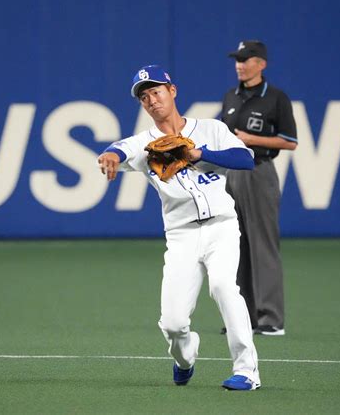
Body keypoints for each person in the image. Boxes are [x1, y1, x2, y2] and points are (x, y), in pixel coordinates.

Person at [98, 65, 261, 390]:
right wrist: (111, 155)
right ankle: (185, 357)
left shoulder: (211, 129)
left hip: (222, 227)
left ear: (172, 91)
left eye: (156, 91)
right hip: (182, 236)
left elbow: (246, 159)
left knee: (223, 286)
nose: (151, 100)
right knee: (173, 323)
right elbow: (119, 149)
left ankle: (247, 372)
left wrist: (197, 153)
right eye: (144, 97)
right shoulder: (146, 144)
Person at [221, 40, 298, 336]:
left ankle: (270, 319)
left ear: (261, 64)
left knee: (262, 246)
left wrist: (251, 140)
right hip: (232, 174)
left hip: (259, 171)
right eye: (237, 60)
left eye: (245, 59)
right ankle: (244, 317)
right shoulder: (231, 96)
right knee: (234, 246)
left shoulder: (276, 98)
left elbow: (290, 141)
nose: (239, 65)